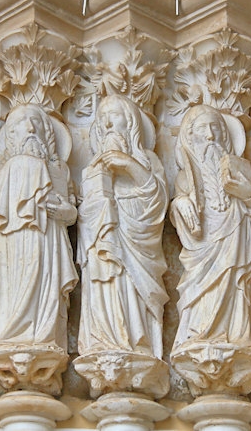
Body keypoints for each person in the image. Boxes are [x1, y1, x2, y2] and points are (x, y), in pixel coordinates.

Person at [170, 104, 251, 393]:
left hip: (236, 245)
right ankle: (199, 334)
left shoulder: (240, 171)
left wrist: (247, 195)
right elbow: (178, 207)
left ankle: (236, 336)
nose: (211, 136)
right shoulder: (185, 178)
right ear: (189, 137)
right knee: (200, 294)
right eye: (203, 129)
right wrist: (181, 205)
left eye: (217, 128)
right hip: (203, 252)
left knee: (237, 286)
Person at [77, 95, 168, 362]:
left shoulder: (147, 159)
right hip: (104, 244)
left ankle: (139, 343)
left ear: (130, 122)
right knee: (105, 283)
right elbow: (85, 215)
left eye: (114, 116)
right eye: (101, 118)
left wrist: (129, 165)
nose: (107, 123)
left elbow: (158, 200)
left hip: (137, 240)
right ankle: (104, 340)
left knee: (131, 294)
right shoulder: (92, 168)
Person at [0, 103, 78, 356]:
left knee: (47, 288)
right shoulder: (3, 170)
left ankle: (46, 336)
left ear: (47, 132)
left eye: (36, 123)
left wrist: (65, 212)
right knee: (17, 287)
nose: (31, 128)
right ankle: (12, 334)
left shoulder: (60, 170)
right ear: (10, 135)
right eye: (22, 124)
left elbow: (72, 212)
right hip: (15, 240)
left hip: (51, 241)